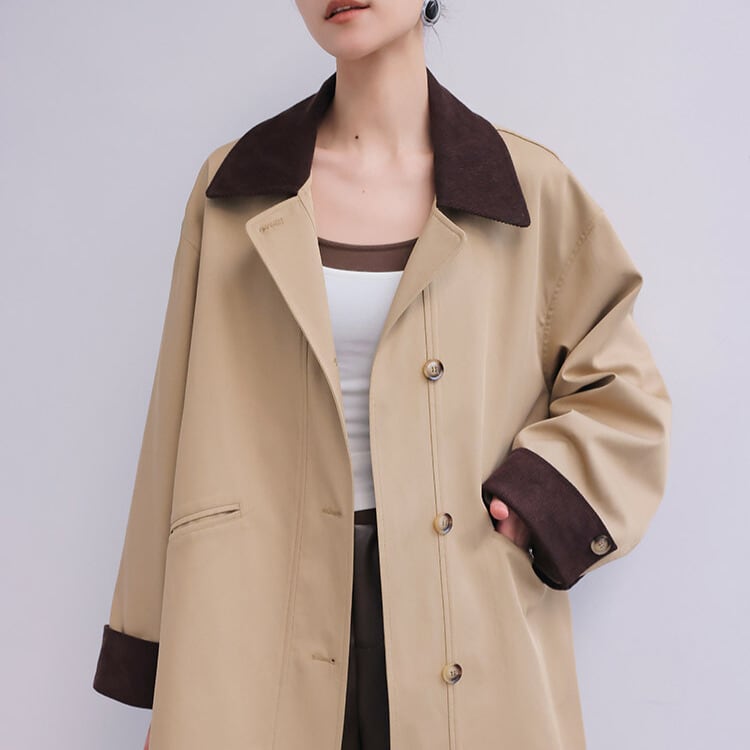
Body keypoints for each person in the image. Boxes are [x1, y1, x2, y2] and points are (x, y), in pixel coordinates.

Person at [93, 1, 672, 748]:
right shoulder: (234, 190)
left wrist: (537, 499)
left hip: (464, 604)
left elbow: (626, 397)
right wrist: (153, 657)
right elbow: (173, 423)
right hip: (254, 615)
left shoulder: (529, 192)